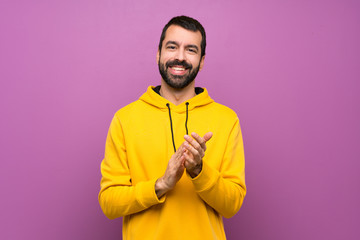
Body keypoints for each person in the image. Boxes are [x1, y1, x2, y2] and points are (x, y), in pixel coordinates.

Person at [99, 15, 246, 240]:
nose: (180, 57)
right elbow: (109, 203)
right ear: (158, 54)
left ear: (202, 60)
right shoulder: (125, 119)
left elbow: (232, 204)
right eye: (172, 47)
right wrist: (161, 185)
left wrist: (199, 171)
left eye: (191, 50)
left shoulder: (227, 119)